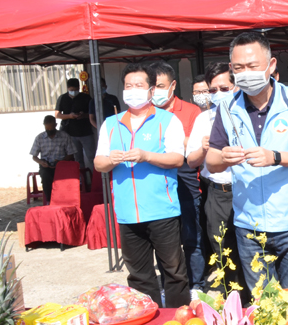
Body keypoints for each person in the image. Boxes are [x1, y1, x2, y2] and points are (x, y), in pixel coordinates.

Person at [205, 32, 288, 295]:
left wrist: (275, 157)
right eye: (238, 68)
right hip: (249, 224)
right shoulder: (226, 107)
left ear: (271, 66)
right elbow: (211, 161)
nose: (245, 73)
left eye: (252, 66)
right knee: (263, 304)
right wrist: (224, 157)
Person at [94, 62, 190, 307]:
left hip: (162, 210)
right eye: (128, 85)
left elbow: (177, 158)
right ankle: (148, 321)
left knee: (174, 271)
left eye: (139, 85)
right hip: (127, 213)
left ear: (150, 91)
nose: (133, 90)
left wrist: (147, 156)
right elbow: (98, 163)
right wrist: (109, 160)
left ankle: (178, 319)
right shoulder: (111, 123)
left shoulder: (167, 121)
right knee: (139, 275)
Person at [187, 62, 249, 303]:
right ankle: (232, 297)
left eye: (224, 88)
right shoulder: (204, 119)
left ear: (236, 86)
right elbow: (191, 161)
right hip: (218, 192)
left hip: (247, 190)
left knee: (250, 245)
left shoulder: (247, 114)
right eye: (212, 91)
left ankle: (254, 297)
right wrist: (204, 150)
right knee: (222, 247)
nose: (217, 94)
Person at [149, 61, 208, 299]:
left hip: (186, 181)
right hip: (158, 184)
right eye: (152, 87)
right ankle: (169, 284)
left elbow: (194, 148)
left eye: (160, 86)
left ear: (173, 85)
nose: (155, 92)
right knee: (164, 239)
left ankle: (196, 284)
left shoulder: (191, 111)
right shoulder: (147, 114)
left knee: (191, 236)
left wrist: (173, 138)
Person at [29, 115, 75, 204]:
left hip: (62, 164)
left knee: (63, 179)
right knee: (45, 176)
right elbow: (34, 156)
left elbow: (71, 153)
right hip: (46, 165)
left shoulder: (64, 136)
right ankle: (49, 201)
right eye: (47, 129)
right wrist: (41, 162)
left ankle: (64, 200)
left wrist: (62, 161)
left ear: (56, 125)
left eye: (51, 129)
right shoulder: (39, 138)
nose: (49, 131)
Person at [55, 78, 94, 172]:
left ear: (79, 88)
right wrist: (69, 116)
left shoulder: (86, 97)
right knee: (77, 159)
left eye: (76, 90)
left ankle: (95, 179)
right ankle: (81, 181)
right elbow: (57, 115)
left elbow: (92, 113)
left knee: (91, 157)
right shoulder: (62, 98)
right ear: (68, 89)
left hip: (86, 132)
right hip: (70, 134)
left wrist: (83, 115)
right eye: (71, 90)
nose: (74, 92)